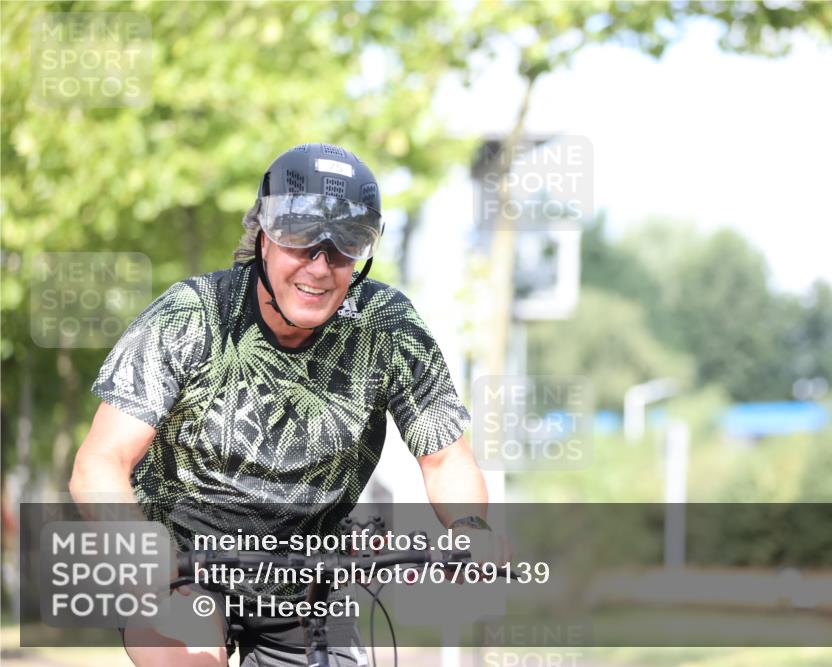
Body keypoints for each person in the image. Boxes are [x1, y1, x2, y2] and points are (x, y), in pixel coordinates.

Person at [69, 143, 508, 667]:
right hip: (182, 570)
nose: (321, 267)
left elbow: (447, 458)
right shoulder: (193, 315)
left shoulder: (386, 326)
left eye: (345, 247)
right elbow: (99, 463)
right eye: (300, 241)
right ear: (262, 239)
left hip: (306, 581)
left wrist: (469, 530)